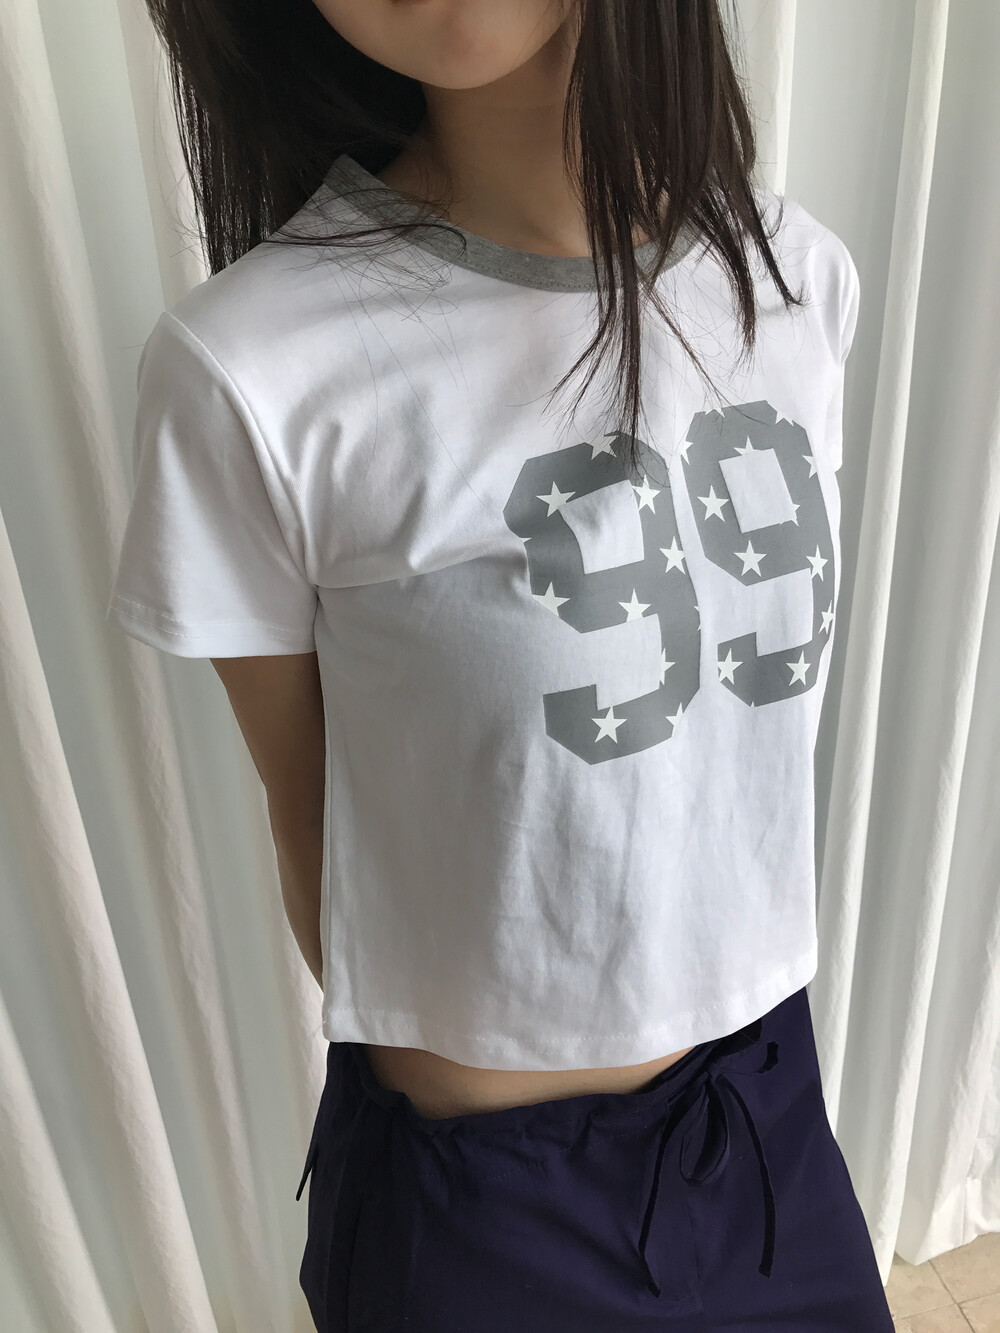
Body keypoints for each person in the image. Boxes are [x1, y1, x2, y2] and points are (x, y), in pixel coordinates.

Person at [106, 0, 894, 1328]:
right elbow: (316, 829)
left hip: (764, 1120)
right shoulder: (250, 371)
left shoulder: (794, 279)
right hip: (483, 1210)